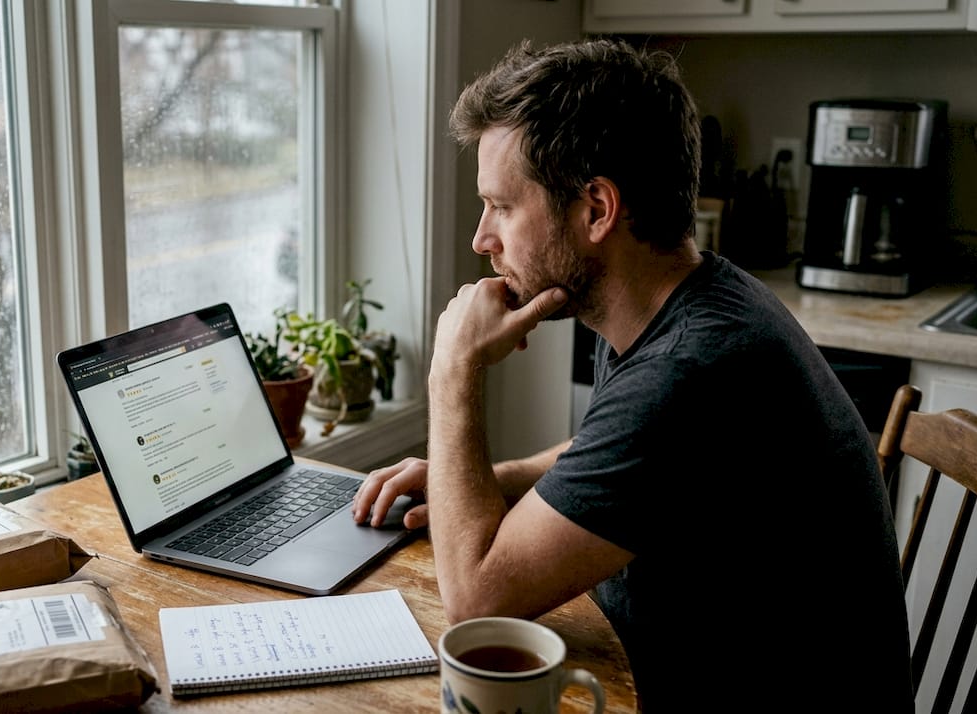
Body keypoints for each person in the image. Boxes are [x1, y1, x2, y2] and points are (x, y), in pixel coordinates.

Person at [351, 39, 913, 711]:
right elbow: (625, 452)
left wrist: (452, 368)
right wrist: (493, 482)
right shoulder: (692, 299)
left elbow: (476, 602)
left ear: (596, 209)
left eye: (501, 205)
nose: (482, 238)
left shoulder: (691, 368)